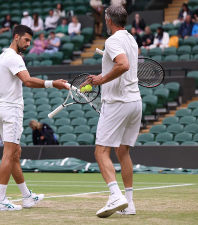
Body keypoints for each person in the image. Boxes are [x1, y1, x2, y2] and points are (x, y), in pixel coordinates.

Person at [0, 24, 69, 211]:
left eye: (30, 41)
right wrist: (53, 83)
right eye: (26, 40)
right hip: (11, 110)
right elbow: (28, 81)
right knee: (9, 153)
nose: (28, 44)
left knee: (16, 153)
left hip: (0, 110)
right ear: (16, 37)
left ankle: (27, 197)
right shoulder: (14, 58)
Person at [87, 4, 141, 218]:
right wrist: (103, 75)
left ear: (108, 20)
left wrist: (100, 79)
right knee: (123, 152)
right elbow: (122, 65)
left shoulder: (112, 40)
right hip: (135, 102)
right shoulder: (131, 39)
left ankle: (115, 195)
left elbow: (123, 64)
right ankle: (129, 203)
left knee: (100, 152)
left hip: (118, 102)